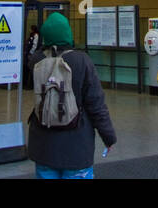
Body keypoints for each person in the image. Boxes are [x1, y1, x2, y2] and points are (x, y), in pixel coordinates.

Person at [27, 12, 116, 178]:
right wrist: (108, 136)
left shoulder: (36, 62)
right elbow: (96, 104)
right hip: (76, 146)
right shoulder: (82, 61)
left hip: (43, 145)